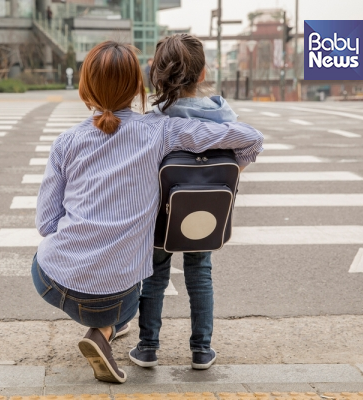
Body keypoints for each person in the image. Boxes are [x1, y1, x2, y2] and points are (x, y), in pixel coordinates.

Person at [32, 41, 263, 384]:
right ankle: (108, 328)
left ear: (85, 87)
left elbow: (47, 224)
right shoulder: (159, 132)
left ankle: (107, 327)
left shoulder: (65, 142)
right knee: (145, 285)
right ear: (139, 86)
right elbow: (250, 139)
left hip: (51, 281)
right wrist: (230, 173)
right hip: (116, 295)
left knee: (130, 275)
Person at [129, 34, 239, 371]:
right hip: (203, 210)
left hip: (161, 212)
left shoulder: (152, 122)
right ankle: (202, 350)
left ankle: (147, 347)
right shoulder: (224, 116)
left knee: (155, 275)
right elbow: (240, 154)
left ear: (157, 75)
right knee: (200, 272)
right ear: (203, 73)